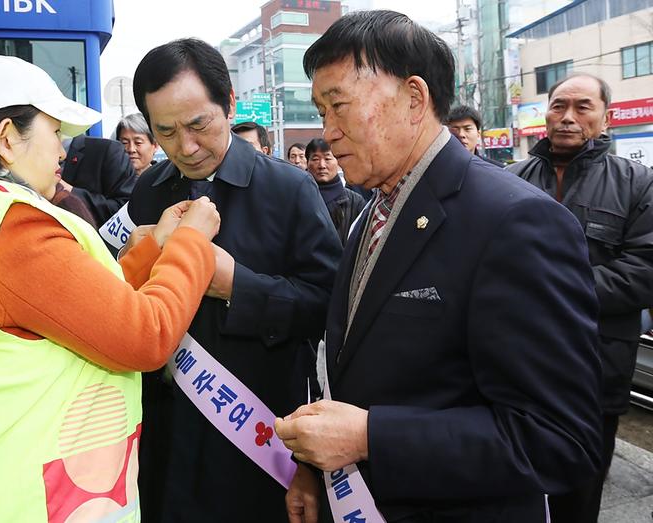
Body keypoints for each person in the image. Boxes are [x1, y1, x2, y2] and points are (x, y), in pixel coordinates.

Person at [276, 11, 602, 523]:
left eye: (338, 106)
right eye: (320, 112)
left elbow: (558, 439)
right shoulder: (371, 215)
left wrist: (368, 437)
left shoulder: (516, 221)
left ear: (413, 98)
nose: (328, 133)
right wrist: (318, 464)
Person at [0, 55, 222, 521]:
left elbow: (76, 306)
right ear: (8, 139)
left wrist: (153, 248)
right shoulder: (16, 228)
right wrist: (193, 243)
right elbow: (146, 334)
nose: (62, 151)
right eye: (54, 132)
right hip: (30, 500)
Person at [127, 38, 342, 522]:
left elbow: (328, 304)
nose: (186, 147)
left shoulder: (288, 189)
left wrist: (237, 286)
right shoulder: (147, 191)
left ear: (229, 103)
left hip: (254, 436)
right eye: (166, 132)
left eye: (199, 125)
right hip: (162, 432)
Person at [509, 72, 653, 523]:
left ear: (605, 118)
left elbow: (644, 269)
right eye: (558, 106)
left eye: (583, 107)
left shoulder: (637, 182)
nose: (568, 117)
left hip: (595, 370)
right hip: (515, 367)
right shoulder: (510, 179)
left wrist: (553, 291)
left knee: (579, 495)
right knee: (515, 488)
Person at [59, 134, 137, 225]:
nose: (132, 149)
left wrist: (69, 191)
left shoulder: (107, 150)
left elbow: (124, 210)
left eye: (138, 142)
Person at [305, 138, 366, 246]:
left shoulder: (355, 202)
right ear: (307, 163)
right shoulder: (299, 199)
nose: (322, 165)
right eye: (315, 159)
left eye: (327, 159)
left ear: (338, 161)